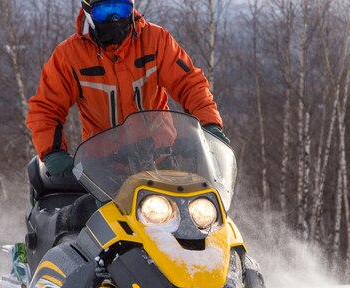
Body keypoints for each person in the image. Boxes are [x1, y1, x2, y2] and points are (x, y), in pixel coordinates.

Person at [27, 0, 229, 177]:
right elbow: (46, 107)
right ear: (89, 13)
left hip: (161, 160)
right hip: (103, 169)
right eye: (104, 11)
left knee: (197, 213)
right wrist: (53, 152)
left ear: (132, 8)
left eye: (121, 9)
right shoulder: (70, 55)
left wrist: (209, 124)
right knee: (85, 217)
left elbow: (190, 84)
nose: (114, 19)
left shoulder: (156, 40)